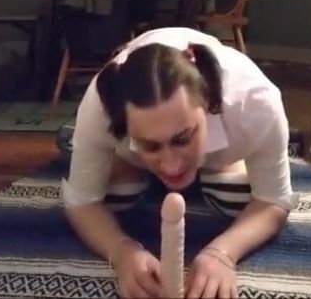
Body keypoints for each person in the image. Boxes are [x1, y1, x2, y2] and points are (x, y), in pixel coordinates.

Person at [62, 27, 298, 299]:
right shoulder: (100, 105)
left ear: (207, 103)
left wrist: (223, 253)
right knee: (117, 196)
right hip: (126, 154)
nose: (171, 166)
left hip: (227, 144)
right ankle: (127, 158)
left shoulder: (255, 102)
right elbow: (81, 201)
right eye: (150, 145)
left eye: (184, 138)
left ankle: (220, 165)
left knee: (236, 199)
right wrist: (122, 252)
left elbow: (273, 199)